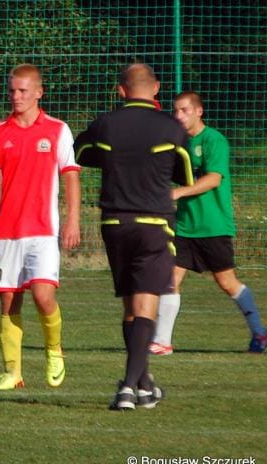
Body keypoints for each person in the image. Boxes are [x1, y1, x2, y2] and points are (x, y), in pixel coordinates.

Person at [0, 64, 81, 392]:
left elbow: (70, 174)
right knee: (9, 302)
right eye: (12, 90)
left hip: (42, 231)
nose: (16, 96)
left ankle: (54, 350)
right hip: (7, 232)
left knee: (42, 295)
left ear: (39, 92)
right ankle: (13, 371)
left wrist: (72, 219)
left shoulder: (57, 130)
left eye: (24, 91)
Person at [75, 63, 193, 410]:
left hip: (114, 223)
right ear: (156, 89)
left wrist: (115, 159)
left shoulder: (106, 123)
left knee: (130, 306)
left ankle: (144, 384)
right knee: (146, 306)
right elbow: (185, 172)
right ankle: (128, 386)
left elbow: (79, 153)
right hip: (153, 222)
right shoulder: (170, 127)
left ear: (120, 91)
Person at [151, 92, 267, 355]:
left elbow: (214, 179)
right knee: (170, 279)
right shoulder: (178, 144)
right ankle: (162, 341)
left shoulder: (214, 140)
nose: (179, 116)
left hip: (213, 225)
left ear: (198, 111)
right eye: (176, 111)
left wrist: (178, 193)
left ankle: (260, 332)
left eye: (184, 110)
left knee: (227, 282)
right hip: (184, 225)